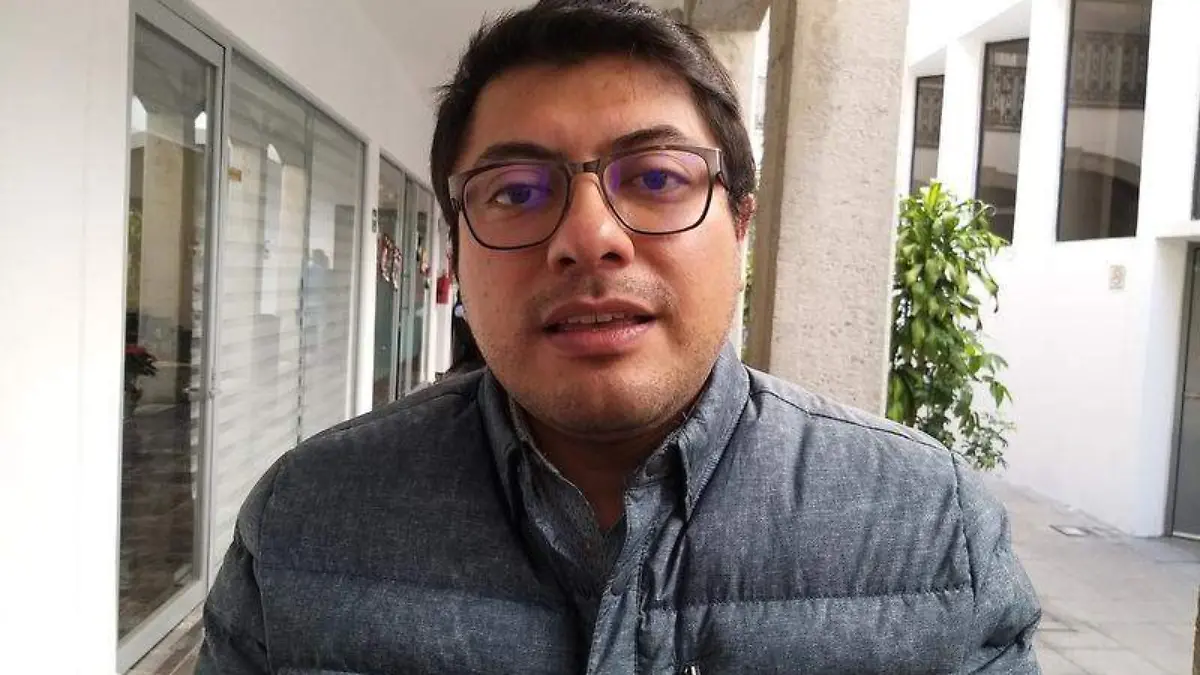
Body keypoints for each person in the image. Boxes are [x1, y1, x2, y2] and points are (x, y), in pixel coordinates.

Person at [196, 1, 1042, 672]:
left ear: (740, 226)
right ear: (456, 250)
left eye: (658, 177)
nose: (590, 236)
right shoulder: (305, 524)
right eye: (516, 191)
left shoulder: (931, 532)